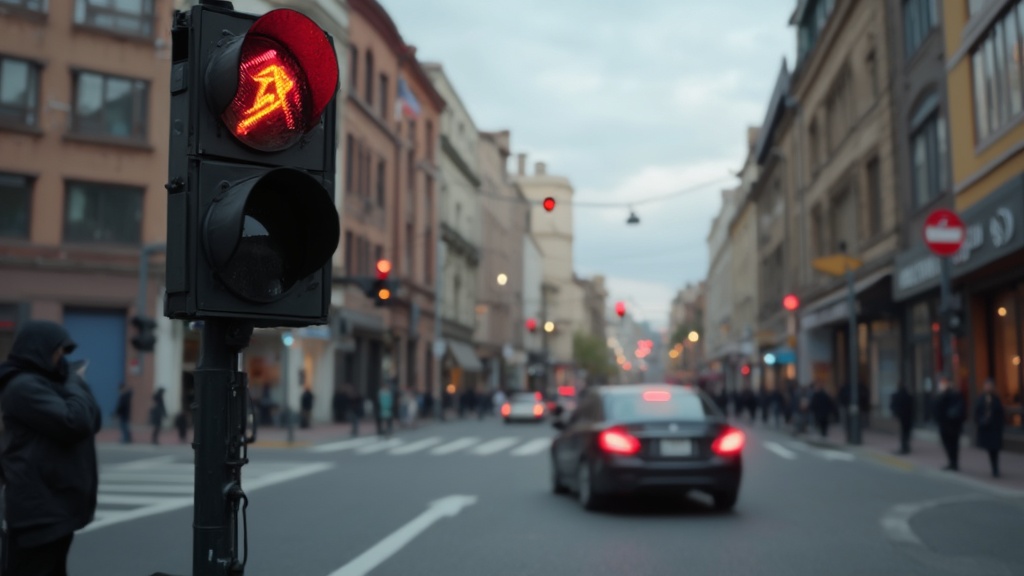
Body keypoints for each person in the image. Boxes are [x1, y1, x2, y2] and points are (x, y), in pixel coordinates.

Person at [0, 320, 101, 575]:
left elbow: (92, 420)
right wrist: (73, 380)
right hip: (37, 512)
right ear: (39, 349)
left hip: (55, 508)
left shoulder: (49, 383)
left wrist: (73, 382)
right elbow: (75, 421)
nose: (61, 358)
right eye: (58, 351)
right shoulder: (22, 386)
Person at [933, 376, 966, 471]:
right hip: (944, 425)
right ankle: (951, 462)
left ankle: (954, 462)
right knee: (947, 444)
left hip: (953, 426)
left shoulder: (955, 395)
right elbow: (936, 408)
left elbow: (959, 409)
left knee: (953, 445)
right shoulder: (940, 395)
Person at [975, 378, 1005, 478]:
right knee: (990, 449)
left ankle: (995, 469)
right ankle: (994, 468)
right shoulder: (981, 398)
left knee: (995, 449)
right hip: (986, 429)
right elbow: (977, 413)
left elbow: (1000, 414)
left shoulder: (996, 399)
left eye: (989, 385)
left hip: (995, 429)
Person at [889, 383, 915, 454]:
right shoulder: (909, 396)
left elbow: (892, 406)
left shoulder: (896, 395)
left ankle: (904, 447)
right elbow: (913, 407)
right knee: (906, 432)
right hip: (908, 417)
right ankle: (905, 446)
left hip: (902, 417)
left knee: (904, 432)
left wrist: (896, 414)